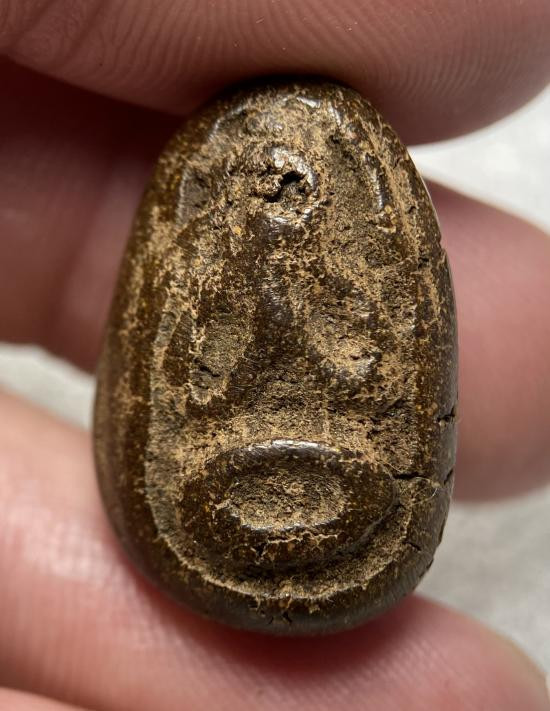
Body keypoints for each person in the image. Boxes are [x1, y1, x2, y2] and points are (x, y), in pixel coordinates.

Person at [1, 1, 550, 709]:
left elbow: (359, 353)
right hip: (235, 453)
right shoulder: (219, 273)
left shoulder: (336, 279)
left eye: (292, 192)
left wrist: (338, 359)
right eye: (267, 190)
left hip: (320, 451)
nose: (280, 200)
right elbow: (191, 364)